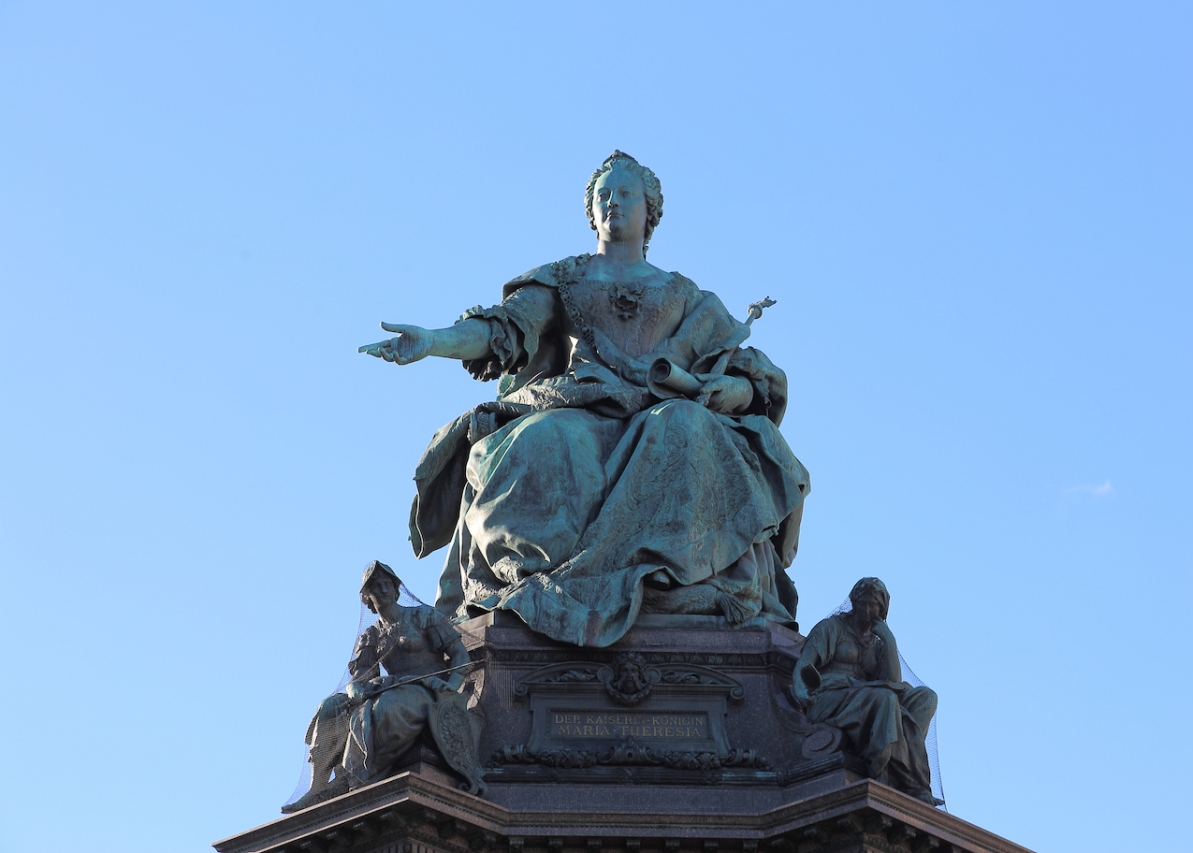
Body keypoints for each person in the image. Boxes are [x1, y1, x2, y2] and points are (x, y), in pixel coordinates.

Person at [359, 151, 809, 647]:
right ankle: (542, 585)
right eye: (603, 195)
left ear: (651, 211)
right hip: (577, 405)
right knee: (539, 442)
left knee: (685, 426)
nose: (613, 201)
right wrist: (434, 341)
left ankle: (661, 577)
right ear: (591, 212)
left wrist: (732, 390)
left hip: (661, 409)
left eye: (626, 193)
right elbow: (502, 330)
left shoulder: (685, 295)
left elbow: (746, 375)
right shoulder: (564, 278)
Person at [283, 562, 479, 813]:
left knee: (385, 708)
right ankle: (318, 787)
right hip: (392, 688)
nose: (383, 590)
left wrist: (452, 685)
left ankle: (354, 777)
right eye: (376, 587)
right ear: (368, 598)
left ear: (396, 590)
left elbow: (460, 655)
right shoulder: (371, 635)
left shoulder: (424, 616)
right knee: (330, 707)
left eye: (387, 585)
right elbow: (361, 676)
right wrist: (354, 690)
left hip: (427, 691)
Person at [792, 578, 940, 805]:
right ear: (854, 602)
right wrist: (801, 691)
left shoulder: (878, 643)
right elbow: (804, 664)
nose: (867, 610)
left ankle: (899, 769)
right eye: (863, 604)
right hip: (830, 696)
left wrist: (889, 641)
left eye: (874, 606)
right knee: (885, 699)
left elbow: (893, 682)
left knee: (926, 698)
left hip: (866, 696)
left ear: (883, 610)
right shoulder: (832, 627)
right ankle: (888, 774)